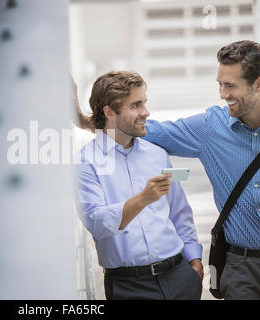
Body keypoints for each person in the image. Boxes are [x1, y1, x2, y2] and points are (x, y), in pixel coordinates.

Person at [141, 40, 260, 300]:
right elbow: (151, 132)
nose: (222, 94)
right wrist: (91, 121)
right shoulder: (211, 128)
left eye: (230, 86)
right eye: (219, 84)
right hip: (242, 269)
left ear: (259, 83)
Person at [76, 71, 203, 300]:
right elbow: (96, 222)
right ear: (109, 112)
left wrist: (194, 261)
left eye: (144, 102)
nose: (146, 112)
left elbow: (179, 213)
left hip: (180, 277)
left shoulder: (157, 154)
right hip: (128, 288)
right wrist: (143, 199)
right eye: (136, 105)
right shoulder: (86, 162)